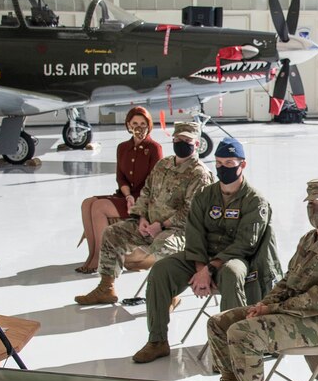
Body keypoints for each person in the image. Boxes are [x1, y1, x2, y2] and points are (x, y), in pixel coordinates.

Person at [207, 177, 318, 381]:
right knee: (218, 323)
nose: (316, 210)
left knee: (243, 333)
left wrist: (272, 308)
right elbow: (287, 281)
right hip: (293, 312)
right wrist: (262, 306)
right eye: (311, 204)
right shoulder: (308, 240)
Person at [134, 136, 278, 364]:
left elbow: (245, 244)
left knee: (231, 273)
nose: (223, 169)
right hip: (202, 258)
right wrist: (201, 268)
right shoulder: (205, 195)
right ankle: (157, 340)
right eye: (219, 164)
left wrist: (210, 268)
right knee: (161, 270)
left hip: (237, 259)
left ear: (242, 164)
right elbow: (194, 234)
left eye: (230, 164)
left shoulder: (254, 201)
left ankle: (233, 347)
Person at [75, 121, 211, 306]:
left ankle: (171, 295)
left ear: (196, 144)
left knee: (164, 245)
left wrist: (161, 226)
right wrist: (142, 218)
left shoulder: (199, 174)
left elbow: (191, 211)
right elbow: (146, 192)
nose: (182, 142)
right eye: (178, 138)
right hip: (149, 225)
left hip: (179, 230)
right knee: (112, 233)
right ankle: (106, 287)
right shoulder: (164, 165)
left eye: (187, 140)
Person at [75, 106, 161, 274]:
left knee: (99, 207)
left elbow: (155, 182)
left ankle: (101, 257)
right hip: (126, 195)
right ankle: (92, 254)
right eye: (135, 123)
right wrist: (128, 195)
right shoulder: (122, 147)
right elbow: (120, 177)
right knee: (87, 203)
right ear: (128, 125)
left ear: (149, 125)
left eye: (143, 123)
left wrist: (136, 201)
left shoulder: (154, 148)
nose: (139, 127)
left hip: (143, 200)